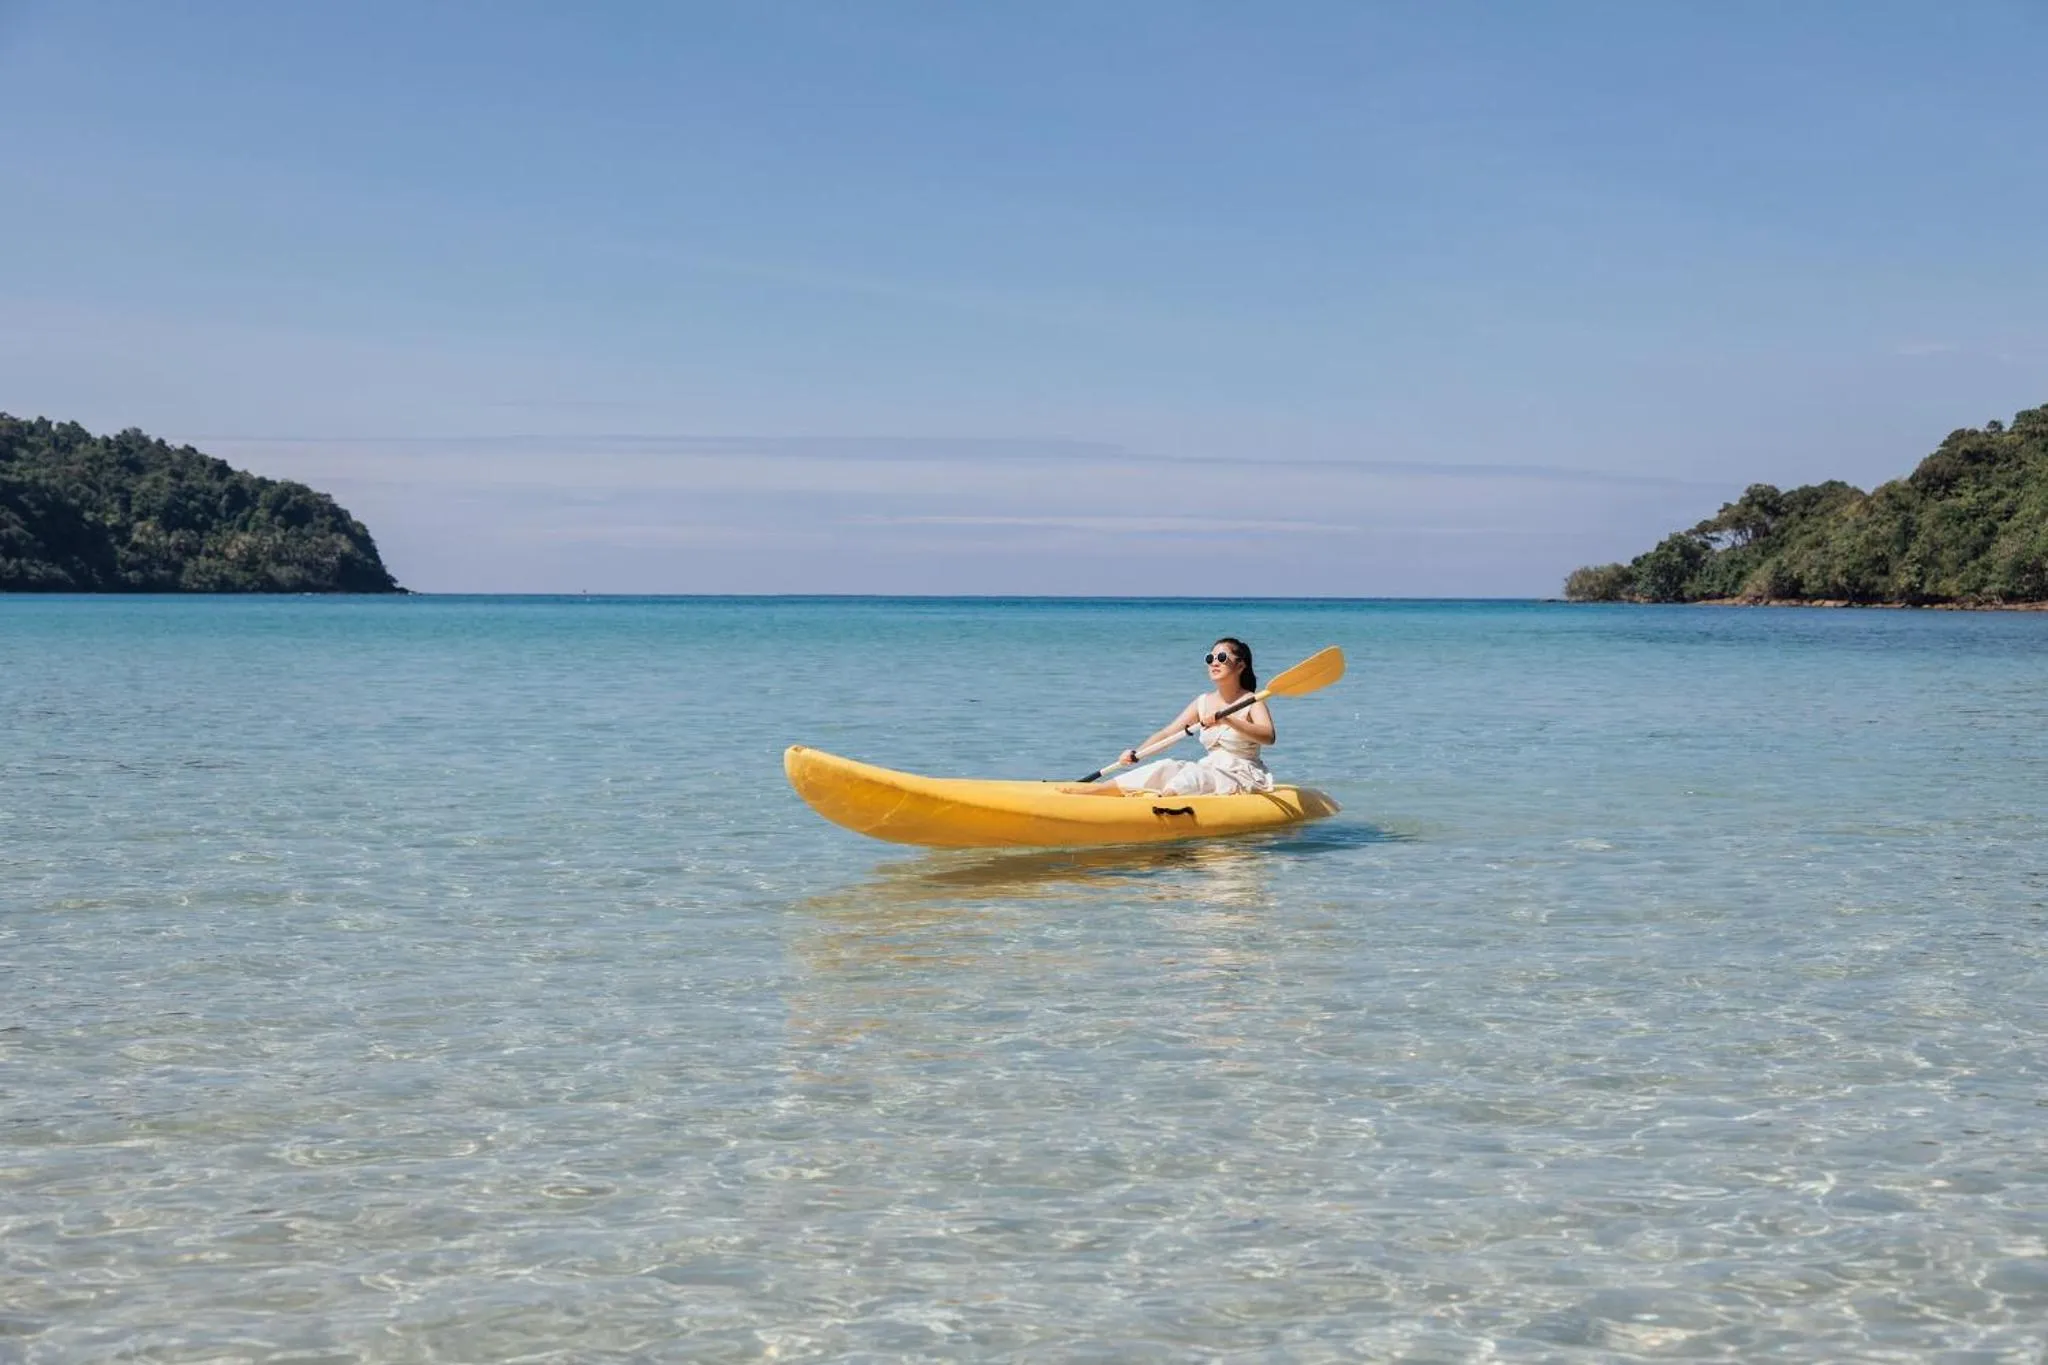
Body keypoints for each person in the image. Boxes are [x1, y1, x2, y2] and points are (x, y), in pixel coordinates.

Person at [1109, 638, 1276, 796]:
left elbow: (1268, 737)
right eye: (1210, 658)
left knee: (1193, 774)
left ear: (1240, 666)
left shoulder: (1253, 701)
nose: (1214, 662)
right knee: (1166, 766)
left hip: (1242, 774)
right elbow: (1168, 734)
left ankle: (1162, 802)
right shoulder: (1202, 702)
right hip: (1209, 767)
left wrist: (1227, 719)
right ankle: (1098, 790)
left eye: (1222, 657)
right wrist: (1137, 753)